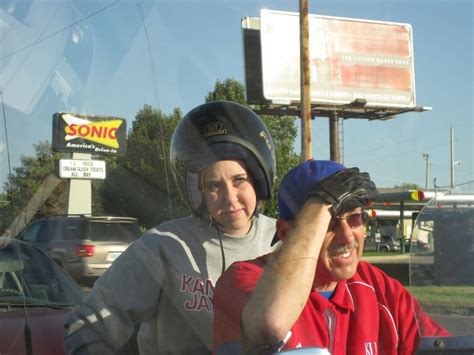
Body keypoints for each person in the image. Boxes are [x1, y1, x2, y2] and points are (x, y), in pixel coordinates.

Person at [64, 101, 280, 354]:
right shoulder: (164, 246)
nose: (229, 197)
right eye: (213, 186)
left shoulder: (285, 242)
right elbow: (88, 325)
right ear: (197, 193)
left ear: (259, 178)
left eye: (239, 180)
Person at [212, 159, 449, 355]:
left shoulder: (380, 289)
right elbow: (270, 324)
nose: (347, 236)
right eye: (330, 223)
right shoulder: (243, 279)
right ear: (286, 232)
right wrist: (321, 203)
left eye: (355, 218)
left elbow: (444, 348)